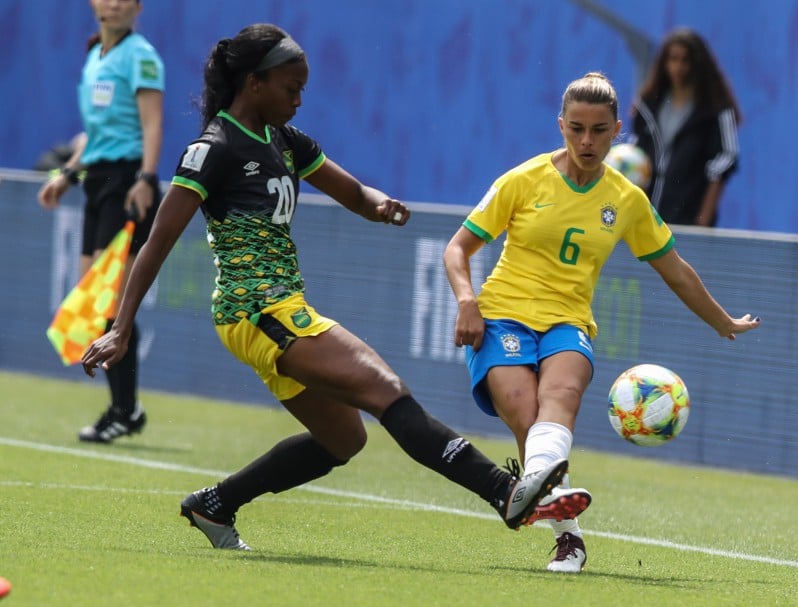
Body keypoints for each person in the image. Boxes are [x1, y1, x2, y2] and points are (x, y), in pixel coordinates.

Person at [80, 23, 568, 551]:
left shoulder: (286, 140)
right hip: (256, 309)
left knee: (344, 438)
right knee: (387, 392)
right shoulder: (213, 148)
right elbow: (157, 241)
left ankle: (215, 504)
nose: (298, 100)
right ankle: (503, 491)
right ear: (254, 83)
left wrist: (380, 206)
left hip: (280, 308)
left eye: (303, 89)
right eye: (291, 88)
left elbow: (354, 193)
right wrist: (122, 328)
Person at [443, 72, 760, 573]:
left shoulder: (628, 200)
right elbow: (458, 248)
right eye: (575, 129)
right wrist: (466, 300)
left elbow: (675, 271)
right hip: (500, 317)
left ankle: (543, 506)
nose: (586, 141)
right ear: (561, 126)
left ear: (617, 131)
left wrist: (721, 321)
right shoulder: (522, 180)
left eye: (597, 130)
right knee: (527, 417)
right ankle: (568, 535)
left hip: (568, 322)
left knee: (561, 396)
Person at [37, 0, 164, 443]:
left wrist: (147, 179)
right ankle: (127, 408)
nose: (113, 4)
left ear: (137, 6)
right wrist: (66, 176)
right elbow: (93, 133)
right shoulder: (95, 57)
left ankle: (124, 410)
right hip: (97, 183)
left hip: (128, 181)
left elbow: (151, 125)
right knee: (93, 309)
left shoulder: (141, 56)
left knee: (111, 307)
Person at [630, 27, 741, 227]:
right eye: (673, 59)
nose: (678, 67)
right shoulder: (648, 105)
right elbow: (636, 157)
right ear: (663, 62)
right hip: (645, 220)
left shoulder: (715, 110)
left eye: (685, 60)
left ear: (697, 64)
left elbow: (725, 161)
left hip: (686, 222)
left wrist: (702, 222)